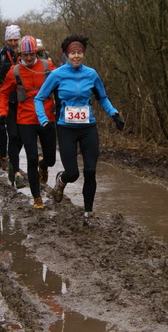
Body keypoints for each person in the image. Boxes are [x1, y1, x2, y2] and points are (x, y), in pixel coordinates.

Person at [34, 34, 125, 226]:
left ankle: (87, 214)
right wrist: (43, 120)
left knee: (90, 171)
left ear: (83, 54)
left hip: (88, 128)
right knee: (73, 173)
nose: (76, 56)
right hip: (66, 128)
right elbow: (39, 98)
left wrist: (114, 114)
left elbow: (102, 97)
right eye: (73, 53)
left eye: (79, 53)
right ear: (66, 55)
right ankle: (61, 180)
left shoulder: (91, 74)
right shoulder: (57, 74)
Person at [0, 36, 57, 209]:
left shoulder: (47, 67)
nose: (29, 58)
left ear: (36, 52)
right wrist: (3, 112)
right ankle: (37, 197)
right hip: (25, 120)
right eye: (26, 55)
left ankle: (44, 165)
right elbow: (3, 93)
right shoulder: (14, 71)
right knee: (31, 157)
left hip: (47, 118)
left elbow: (62, 83)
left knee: (51, 159)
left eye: (32, 54)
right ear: (20, 53)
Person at [0, 25, 25, 186]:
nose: (13, 42)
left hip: (24, 100)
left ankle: (12, 162)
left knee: (22, 136)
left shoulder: (27, 53)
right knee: (13, 135)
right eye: (10, 40)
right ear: (6, 40)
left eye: (16, 39)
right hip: (7, 99)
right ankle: (14, 167)